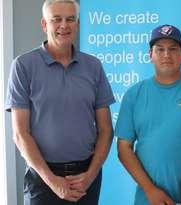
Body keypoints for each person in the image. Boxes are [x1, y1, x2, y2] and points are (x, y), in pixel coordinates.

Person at [5, 0, 115, 204]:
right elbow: (20, 134)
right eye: (56, 19)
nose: (64, 25)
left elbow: (106, 129)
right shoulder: (23, 66)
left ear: (78, 24)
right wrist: (52, 181)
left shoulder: (93, 66)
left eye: (70, 19)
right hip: (42, 179)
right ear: (44, 25)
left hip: (86, 178)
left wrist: (90, 176)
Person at [115, 24, 181, 205]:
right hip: (148, 198)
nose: (166, 55)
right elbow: (124, 148)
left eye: (172, 49)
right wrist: (150, 189)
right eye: (160, 49)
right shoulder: (134, 94)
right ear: (150, 55)